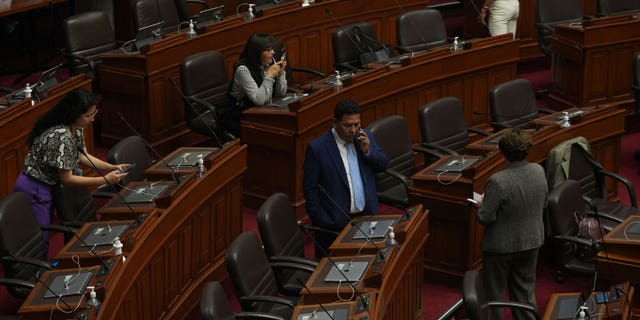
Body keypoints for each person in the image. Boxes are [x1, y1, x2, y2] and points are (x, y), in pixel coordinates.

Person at [14, 88, 130, 247]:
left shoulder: (76, 127)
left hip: (49, 184)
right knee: (40, 239)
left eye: (94, 114)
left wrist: (111, 167)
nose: (92, 119)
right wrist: (104, 180)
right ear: (75, 114)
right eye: (89, 116)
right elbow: (67, 178)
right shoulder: (61, 137)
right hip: (35, 187)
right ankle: (41, 271)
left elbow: (83, 156)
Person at [475, 128, 547, 320]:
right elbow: (543, 202)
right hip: (531, 241)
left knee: (495, 296)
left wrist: (483, 204)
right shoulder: (539, 171)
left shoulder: (498, 181)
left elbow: (484, 217)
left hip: (500, 248)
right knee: (524, 293)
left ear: (503, 152)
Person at [303, 100, 389, 258]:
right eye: (348, 125)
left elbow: (383, 165)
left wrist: (369, 152)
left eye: (357, 124)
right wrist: (322, 219)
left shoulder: (364, 137)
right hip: (334, 226)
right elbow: (310, 189)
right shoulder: (318, 148)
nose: (353, 130)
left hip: (366, 217)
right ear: (334, 123)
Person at [224, 33, 288, 137]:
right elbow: (259, 100)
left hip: (262, 111)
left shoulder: (267, 63)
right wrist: (269, 76)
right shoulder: (243, 70)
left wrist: (281, 73)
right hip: (240, 114)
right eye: (268, 50)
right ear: (257, 53)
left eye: (271, 49)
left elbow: (280, 93)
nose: (273, 52)